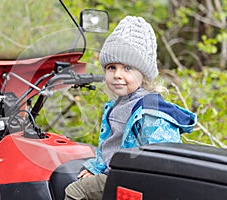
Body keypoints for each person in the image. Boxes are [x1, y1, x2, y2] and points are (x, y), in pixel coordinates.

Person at [64, 16, 197, 200]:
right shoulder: (117, 104)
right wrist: (96, 167)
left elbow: (163, 162)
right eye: (111, 67)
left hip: (134, 182)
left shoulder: (151, 113)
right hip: (118, 173)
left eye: (127, 68)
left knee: (75, 191)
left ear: (144, 73)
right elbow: (110, 147)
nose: (117, 75)